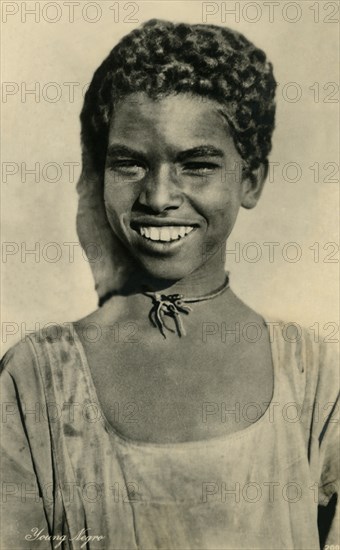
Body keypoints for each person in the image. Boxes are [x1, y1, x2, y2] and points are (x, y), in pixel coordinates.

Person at [1, 19, 338, 550]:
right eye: (130, 163)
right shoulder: (36, 379)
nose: (159, 196)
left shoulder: (314, 378)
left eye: (197, 164)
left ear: (250, 180)